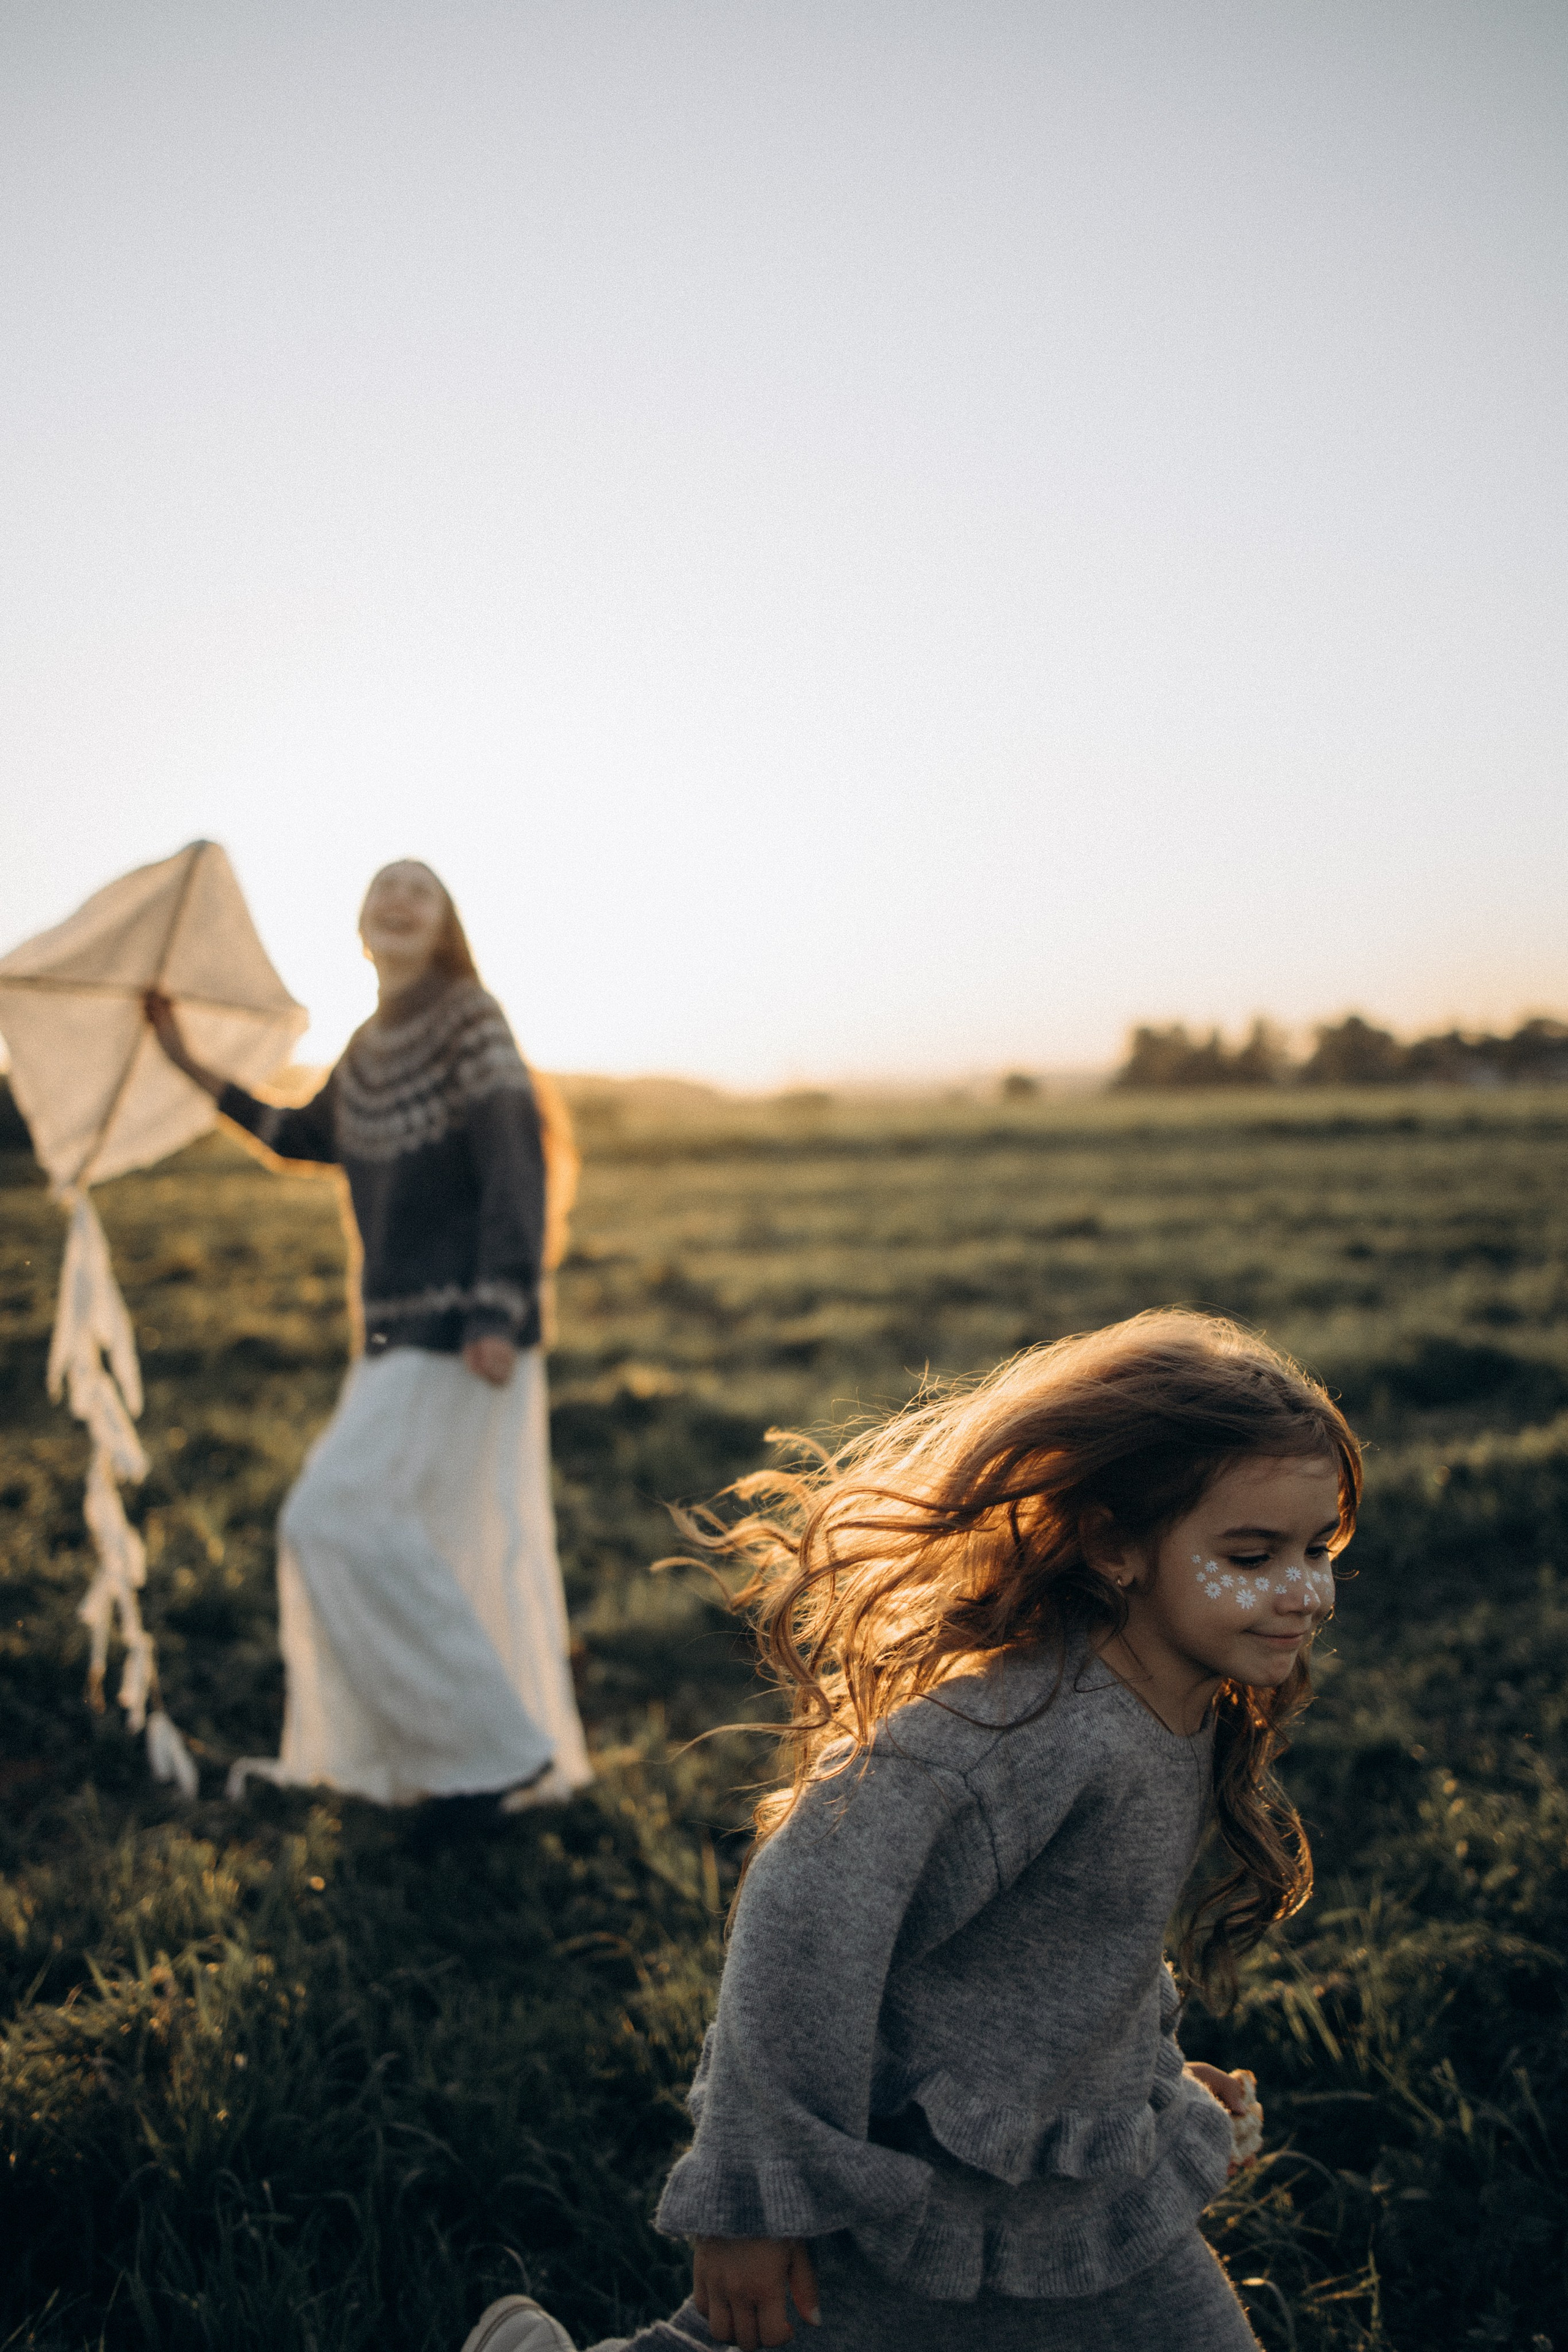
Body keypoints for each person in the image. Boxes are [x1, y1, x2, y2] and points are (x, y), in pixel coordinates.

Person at [459, 1310, 1362, 2352]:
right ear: (1115, 1544)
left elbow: (1079, 1945)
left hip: (1083, 2189)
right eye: (1252, 1556)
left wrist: (1142, 2080)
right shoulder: (1011, 1736)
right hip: (926, 2196)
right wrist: (751, 2194)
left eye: (1318, 1550)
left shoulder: (1190, 1697)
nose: (1303, 1592)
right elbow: (801, 1925)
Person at [145, 858, 592, 1817]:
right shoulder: (368, 1044)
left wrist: (498, 1311)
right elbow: (291, 1132)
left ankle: (491, 1751)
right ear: (358, 927)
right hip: (396, 1338)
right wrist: (186, 1059)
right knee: (428, 1537)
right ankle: (444, 1765)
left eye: (419, 889)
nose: (397, 898)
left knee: (331, 1518)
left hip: (464, 1334)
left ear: (444, 925)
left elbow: (516, 1164)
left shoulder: (470, 1019)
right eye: (383, 886)